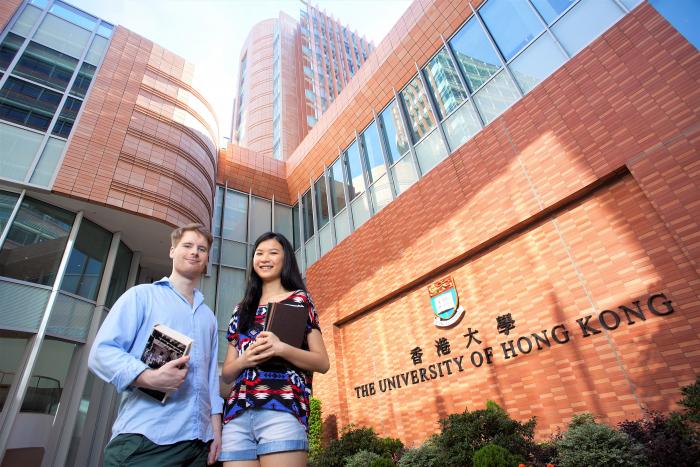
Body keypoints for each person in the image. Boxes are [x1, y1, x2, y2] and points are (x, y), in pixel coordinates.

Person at [88, 223, 223, 466]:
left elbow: (211, 379)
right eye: (188, 245)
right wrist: (148, 377)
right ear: (172, 251)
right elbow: (101, 352)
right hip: (146, 441)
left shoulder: (209, 318)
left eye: (201, 249)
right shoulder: (141, 296)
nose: (194, 252)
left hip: (198, 446)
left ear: (206, 259)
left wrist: (215, 431)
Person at [220, 232, 330, 466]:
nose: (264, 258)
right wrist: (245, 359)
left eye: (272, 252)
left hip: (282, 408)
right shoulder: (240, 310)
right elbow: (227, 374)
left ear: (285, 259)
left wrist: (280, 348)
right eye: (259, 253)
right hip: (236, 417)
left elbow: (322, 362)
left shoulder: (300, 300)